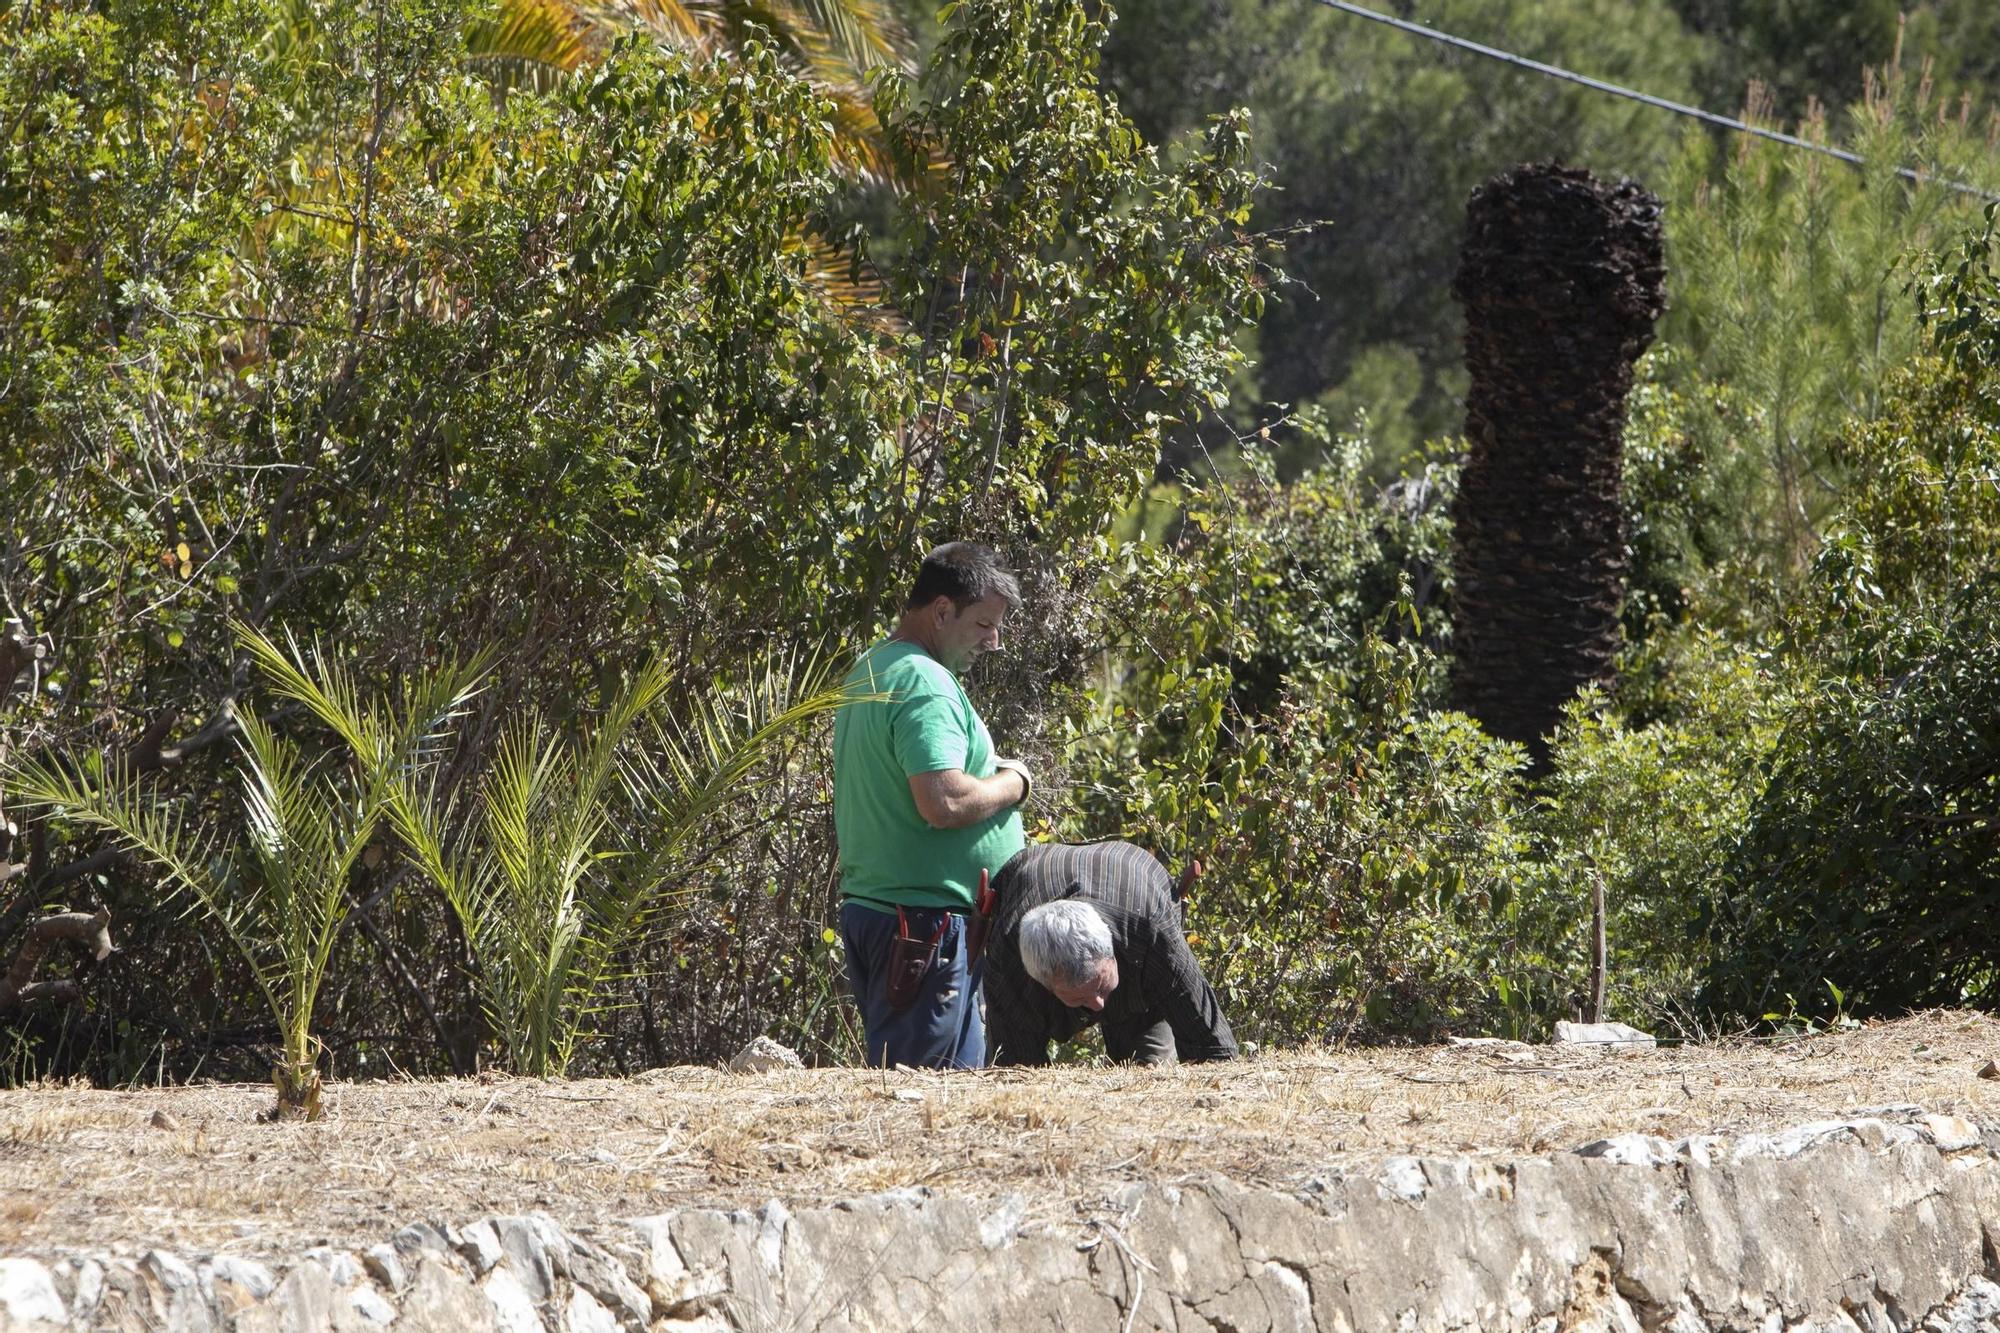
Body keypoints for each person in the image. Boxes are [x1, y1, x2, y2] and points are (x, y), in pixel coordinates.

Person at [832, 541, 1033, 1068]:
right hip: (923, 930)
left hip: (894, 920)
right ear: (942, 611)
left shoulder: (875, 665)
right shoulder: (925, 683)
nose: (994, 642)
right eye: (985, 624)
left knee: (936, 1094)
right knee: (922, 1102)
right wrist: (1014, 783)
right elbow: (942, 801)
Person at [982, 840, 1237, 1067]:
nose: (1098, 1004)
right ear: (1045, 983)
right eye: (1080, 997)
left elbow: (1212, 1048)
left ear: (1111, 952)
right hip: (1031, 884)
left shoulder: (1152, 932)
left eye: (1102, 986)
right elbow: (1016, 1073)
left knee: (1153, 1068)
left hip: (1135, 923)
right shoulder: (1009, 965)